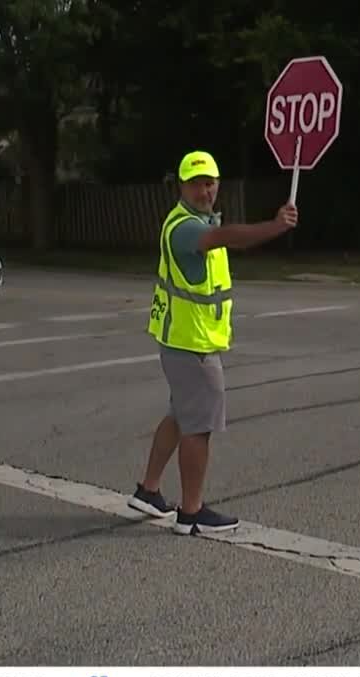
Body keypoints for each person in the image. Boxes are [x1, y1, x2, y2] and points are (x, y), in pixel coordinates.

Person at [129, 150, 298, 535]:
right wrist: (273, 227)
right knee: (198, 427)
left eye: (210, 182)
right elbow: (225, 238)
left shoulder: (192, 219)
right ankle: (192, 513)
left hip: (183, 341)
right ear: (181, 187)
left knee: (179, 416)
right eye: (196, 183)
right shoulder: (187, 228)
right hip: (192, 346)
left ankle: (148, 491)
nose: (205, 190)